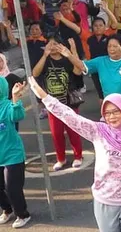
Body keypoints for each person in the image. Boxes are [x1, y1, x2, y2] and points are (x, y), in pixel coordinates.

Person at [28, 67, 121, 232]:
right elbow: (69, 116)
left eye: (116, 111)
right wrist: (45, 98)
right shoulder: (98, 131)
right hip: (105, 201)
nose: (112, 116)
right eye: (107, 113)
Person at [32, 37, 84, 171]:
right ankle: (61, 159)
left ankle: (78, 156)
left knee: (73, 130)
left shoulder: (67, 60)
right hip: (53, 104)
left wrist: (71, 52)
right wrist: (44, 55)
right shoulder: (46, 60)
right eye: (50, 44)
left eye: (56, 44)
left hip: (69, 103)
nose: (53, 46)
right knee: (57, 133)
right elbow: (35, 73)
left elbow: (79, 69)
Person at [73, 35, 121, 121]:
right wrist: (69, 54)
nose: (111, 49)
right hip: (111, 108)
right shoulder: (100, 61)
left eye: (115, 46)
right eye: (109, 46)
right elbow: (81, 66)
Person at [0, 78, 30, 229]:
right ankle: (7, 209)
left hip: (13, 155)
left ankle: (23, 214)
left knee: (12, 188)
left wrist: (16, 98)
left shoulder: (7, 105)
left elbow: (17, 116)